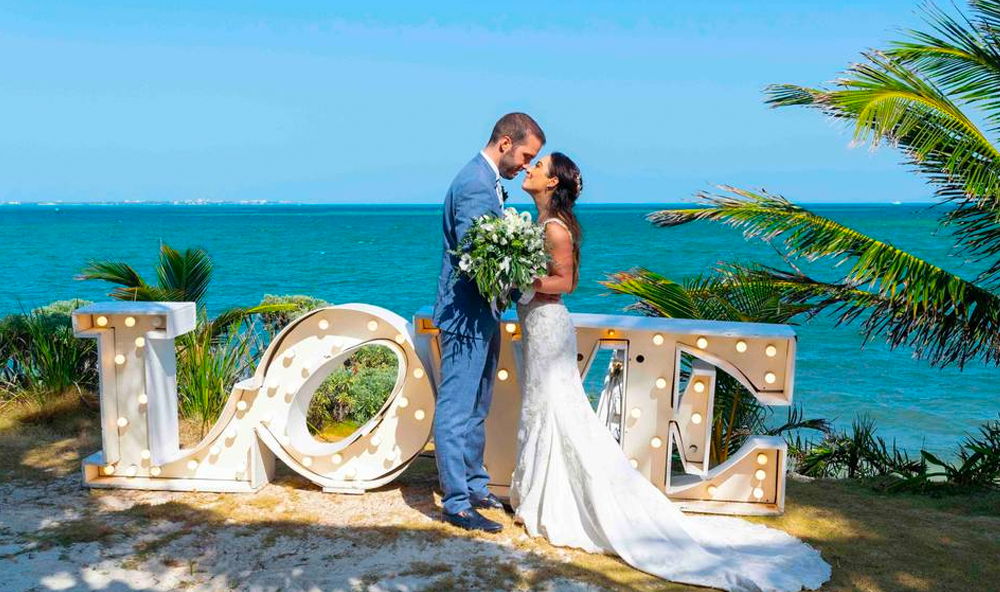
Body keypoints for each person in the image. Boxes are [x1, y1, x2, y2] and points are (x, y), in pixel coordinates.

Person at [511, 152, 832, 592]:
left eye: (538, 166)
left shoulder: (553, 229)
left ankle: (557, 503)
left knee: (558, 412)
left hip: (548, 325)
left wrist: (518, 283)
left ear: (551, 183)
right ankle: (538, 495)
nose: (529, 169)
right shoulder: (545, 223)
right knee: (543, 409)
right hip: (538, 326)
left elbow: (565, 283)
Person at [430, 112, 545, 532]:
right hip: (464, 314)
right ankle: (457, 502)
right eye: (526, 155)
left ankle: (476, 485)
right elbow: (479, 253)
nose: (527, 166)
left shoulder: (486, 179)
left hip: (483, 311)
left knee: (478, 405)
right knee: (457, 407)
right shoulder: (476, 183)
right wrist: (521, 285)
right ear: (504, 144)